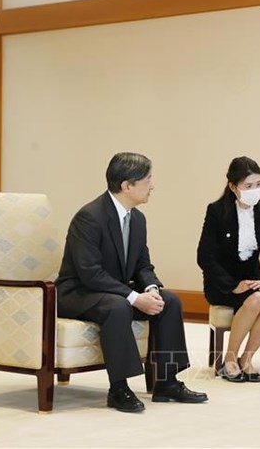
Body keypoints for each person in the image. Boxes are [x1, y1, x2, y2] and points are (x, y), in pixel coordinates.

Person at [56, 152, 208, 413]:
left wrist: (150, 289)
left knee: (168, 301)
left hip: (112, 291)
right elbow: (90, 273)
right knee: (118, 306)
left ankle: (166, 382)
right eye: (148, 179)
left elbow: (142, 265)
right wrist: (134, 297)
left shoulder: (137, 218)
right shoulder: (90, 217)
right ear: (127, 186)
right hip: (78, 292)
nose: (153, 185)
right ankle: (118, 389)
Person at [197, 156, 260, 382]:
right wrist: (232, 285)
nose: (254, 191)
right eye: (248, 186)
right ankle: (229, 359)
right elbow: (204, 257)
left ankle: (246, 359)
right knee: (257, 299)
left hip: (253, 280)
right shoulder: (217, 211)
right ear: (233, 186)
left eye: (258, 184)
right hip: (222, 283)